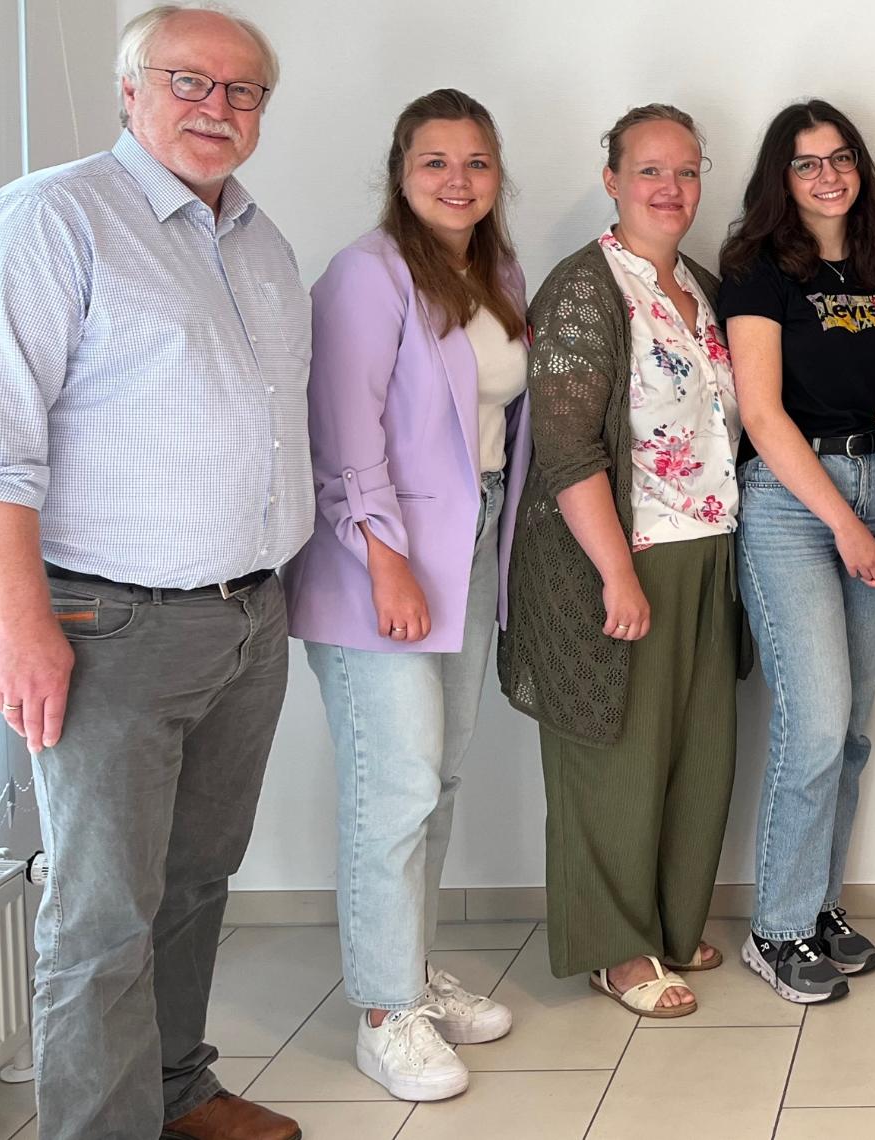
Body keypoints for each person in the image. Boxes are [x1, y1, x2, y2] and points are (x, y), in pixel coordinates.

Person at [0, 5, 307, 1137]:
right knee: (101, 915)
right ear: (131, 91)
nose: (216, 108)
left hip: (245, 617)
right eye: (188, 82)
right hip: (103, 625)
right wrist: (21, 629)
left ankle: (176, 1092)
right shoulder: (50, 220)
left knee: (196, 882)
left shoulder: (262, 241)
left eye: (243, 92)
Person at [281, 88, 527, 1099]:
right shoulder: (364, 277)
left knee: (441, 779)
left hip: (466, 546)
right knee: (395, 786)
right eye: (435, 162)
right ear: (400, 172)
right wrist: (386, 559)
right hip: (377, 560)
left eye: (475, 161)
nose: (457, 179)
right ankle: (384, 1011)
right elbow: (344, 439)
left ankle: (410, 970)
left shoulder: (496, 273)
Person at [500, 103, 751, 1019]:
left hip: (708, 552)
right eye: (650, 170)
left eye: (686, 171)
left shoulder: (702, 287)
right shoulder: (583, 288)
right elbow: (567, 449)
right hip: (619, 555)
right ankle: (616, 948)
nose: (671, 188)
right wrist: (613, 571)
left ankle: (673, 923)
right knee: (612, 755)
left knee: (696, 752)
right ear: (612, 179)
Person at [717, 99, 875, 1004]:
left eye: (840, 158)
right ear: (781, 178)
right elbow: (761, 413)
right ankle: (778, 926)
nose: (828, 175)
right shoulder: (759, 271)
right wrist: (842, 518)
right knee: (815, 722)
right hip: (796, 505)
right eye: (806, 163)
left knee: (855, 731)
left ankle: (823, 906)